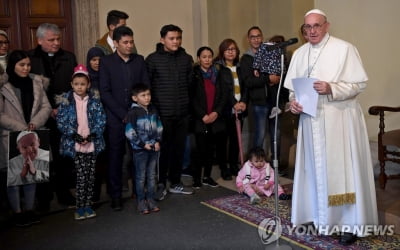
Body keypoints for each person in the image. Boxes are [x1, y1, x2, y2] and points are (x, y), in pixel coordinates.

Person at [284, 9, 378, 245]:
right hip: (310, 120)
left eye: (316, 26)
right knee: (313, 171)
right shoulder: (299, 53)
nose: (312, 31)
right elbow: (293, 89)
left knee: (342, 172)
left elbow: (359, 84)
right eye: (308, 27)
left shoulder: (344, 49)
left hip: (340, 119)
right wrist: (293, 104)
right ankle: (318, 216)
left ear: (326, 26)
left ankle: (348, 222)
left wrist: (332, 88)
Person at [28, 23, 78, 210]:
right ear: (40, 40)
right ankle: (43, 198)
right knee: (40, 155)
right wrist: (48, 108)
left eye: (58, 39)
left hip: (64, 114)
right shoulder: (30, 58)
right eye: (51, 40)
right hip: (39, 115)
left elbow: (75, 85)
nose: (56, 43)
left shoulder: (68, 57)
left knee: (63, 156)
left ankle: (64, 193)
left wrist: (62, 106)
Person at [99, 26, 149, 211]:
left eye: (131, 42)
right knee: (116, 157)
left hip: (137, 117)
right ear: (117, 43)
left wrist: (136, 112)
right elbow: (105, 91)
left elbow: (145, 87)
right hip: (116, 119)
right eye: (125, 42)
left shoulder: (139, 60)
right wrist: (123, 114)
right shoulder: (107, 62)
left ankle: (139, 192)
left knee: (139, 155)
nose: (129, 46)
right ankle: (116, 195)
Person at [0, 50, 52, 226]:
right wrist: (20, 126)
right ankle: (17, 212)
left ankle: (29, 210)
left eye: (28, 65)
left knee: (32, 174)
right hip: (12, 134)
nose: (26, 68)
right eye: (21, 65)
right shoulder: (3, 86)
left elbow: (46, 107)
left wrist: (35, 123)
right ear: (12, 66)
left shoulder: (36, 83)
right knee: (14, 177)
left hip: (34, 132)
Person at [145, 24, 194, 198]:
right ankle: (160, 184)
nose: (176, 41)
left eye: (178, 38)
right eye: (172, 38)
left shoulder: (186, 59)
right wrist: (153, 112)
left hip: (182, 113)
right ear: (162, 39)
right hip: (161, 114)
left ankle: (175, 182)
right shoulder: (152, 59)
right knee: (162, 151)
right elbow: (147, 87)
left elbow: (190, 86)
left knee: (179, 149)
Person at [56, 64, 106, 220]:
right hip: (76, 145)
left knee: (90, 176)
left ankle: (88, 205)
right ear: (72, 84)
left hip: (90, 144)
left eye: (83, 84)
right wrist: (74, 135)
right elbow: (62, 121)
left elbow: (101, 119)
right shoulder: (66, 101)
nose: (79, 87)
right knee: (80, 177)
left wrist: (93, 135)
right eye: (76, 84)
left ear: (88, 84)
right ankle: (79, 207)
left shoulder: (95, 101)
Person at [191, 46, 231, 189]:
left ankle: (207, 176)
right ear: (198, 59)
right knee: (199, 150)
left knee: (210, 149)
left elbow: (224, 95)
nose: (207, 59)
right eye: (204, 57)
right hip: (200, 118)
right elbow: (192, 98)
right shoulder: (194, 74)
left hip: (215, 117)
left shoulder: (218, 73)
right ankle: (197, 178)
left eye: (209, 56)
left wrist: (216, 112)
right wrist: (203, 115)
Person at [240, 27, 281, 156]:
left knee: (276, 134)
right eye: (253, 37)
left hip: (274, 101)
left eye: (258, 36)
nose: (256, 39)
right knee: (260, 135)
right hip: (259, 103)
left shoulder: (270, 54)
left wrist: (276, 78)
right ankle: (255, 165)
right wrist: (267, 78)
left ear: (262, 37)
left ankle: (276, 165)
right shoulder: (246, 59)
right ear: (248, 39)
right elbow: (249, 82)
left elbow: (279, 73)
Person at [125, 84, 163, 214]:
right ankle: (141, 201)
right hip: (140, 150)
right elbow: (129, 132)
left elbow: (159, 126)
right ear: (135, 98)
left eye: (148, 95)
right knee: (141, 177)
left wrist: (157, 141)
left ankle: (151, 199)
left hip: (153, 148)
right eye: (143, 95)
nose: (147, 98)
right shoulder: (133, 113)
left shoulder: (153, 110)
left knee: (152, 176)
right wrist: (142, 144)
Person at [214, 38, 248, 179]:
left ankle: (234, 166)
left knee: (236, 139)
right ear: (222, 52)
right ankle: (224, 168)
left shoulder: (240, 67)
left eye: (233, 49)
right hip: (226, 110)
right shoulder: (219, 69)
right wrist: (233, 102)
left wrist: (244, 102)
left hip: (240, 109)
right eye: (227, 49)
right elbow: (223, 90)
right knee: (223, 140)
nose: (230, 52)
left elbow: (246, 86)